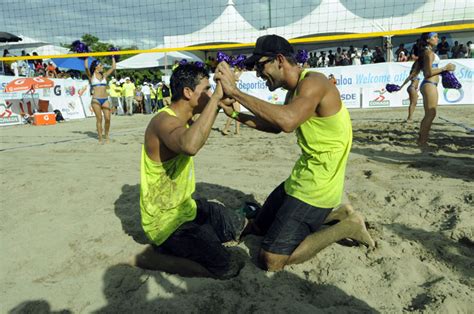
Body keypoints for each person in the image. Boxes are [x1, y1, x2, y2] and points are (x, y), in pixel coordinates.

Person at [214, 34, 375, 272]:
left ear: (279, 60)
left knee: (271, 260)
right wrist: (235, 114)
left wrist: (235, 93)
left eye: (260, 66)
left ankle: (348, 225)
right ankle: (338, 214)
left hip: (318, 188)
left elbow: (287, 121)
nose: (258, 73)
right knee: (259, 227)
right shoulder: (295, 91)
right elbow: (277, 125)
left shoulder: (314, 82)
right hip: (301, 178)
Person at [134, 63, 247, 278]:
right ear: (188, 92)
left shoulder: (186, 119)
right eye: (205, 89)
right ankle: (153, 259)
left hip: (187, 209)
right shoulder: (163, 121)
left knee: (235, 227)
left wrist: (220, 101)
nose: (209, 93)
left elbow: (200, 127)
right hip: (165, 224)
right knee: (224, 267)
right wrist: (215, 100)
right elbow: (190, 146)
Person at [416, 32, 456, 149]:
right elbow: (428, 73)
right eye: (434, 37)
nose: (437, 39)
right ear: (428, 40)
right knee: (430, 114)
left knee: (430, 114)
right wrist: (445, 68)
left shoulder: (427, 52)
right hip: (429, 84)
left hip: (430, 84)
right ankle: (422, 142)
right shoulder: (428, 53)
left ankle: (422, 140)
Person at [84, 58, 116, 144]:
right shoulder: (91, 76)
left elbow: (113, 67)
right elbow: (86, 67)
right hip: (96, 99)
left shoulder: (104, 75)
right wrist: (85, 57)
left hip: (105, 99)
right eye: (100, 65)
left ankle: (107, 135)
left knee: (108, 118)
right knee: (99, 119)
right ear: (95, 67)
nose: (102, 67)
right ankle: (100, 138)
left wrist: (113, 56)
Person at [221, 66, 242, 135]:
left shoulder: (228, 75)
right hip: (233, 94)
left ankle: (237, 130)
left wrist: (240, 72)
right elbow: (237, 78)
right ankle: (226, 129)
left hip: (232, 94)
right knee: (236, 113)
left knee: (236, 113)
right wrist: (240, 72)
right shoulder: (231, 75)